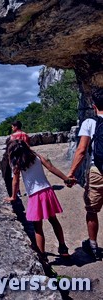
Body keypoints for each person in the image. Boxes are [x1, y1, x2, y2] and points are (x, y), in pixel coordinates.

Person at [4, 139, 74, 261]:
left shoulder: (18, 164)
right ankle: (63, 248)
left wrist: (13, 196)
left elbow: (15, 181)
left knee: (38, 227)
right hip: (47, 191)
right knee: (54, 220)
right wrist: (66, 179)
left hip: (35, 195)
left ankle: (42, 256)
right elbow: (51, 167)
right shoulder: (35, 156)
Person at [67, 88, 103, 261]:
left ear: (94, 105)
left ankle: (93, 246)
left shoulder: (89, 122)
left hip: (98, 171)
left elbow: (81, 151)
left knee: (92, 209)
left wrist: (71, 173)